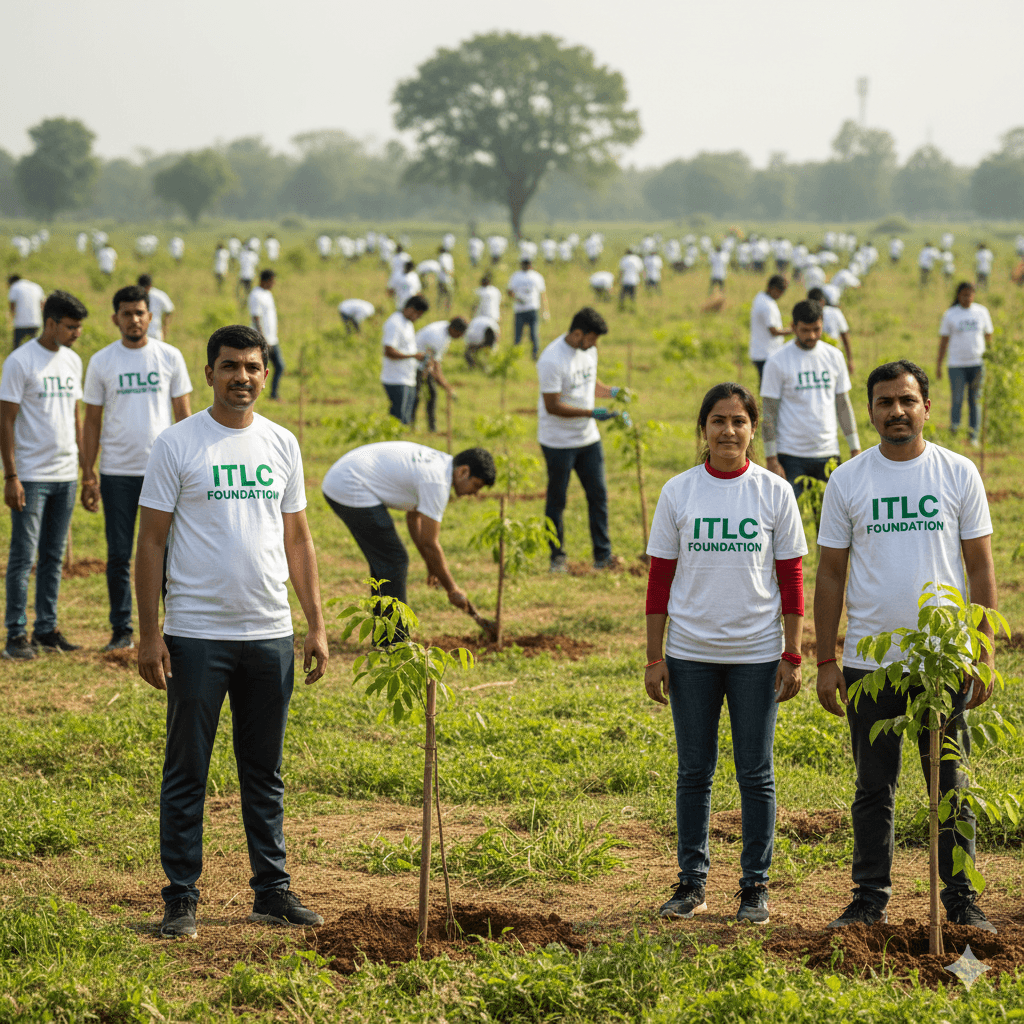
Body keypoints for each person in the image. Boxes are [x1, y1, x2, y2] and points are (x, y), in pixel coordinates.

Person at [136, 324, 328, 940]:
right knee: (187, 768)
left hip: (269, 632)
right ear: (210, 372)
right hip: (195, 634)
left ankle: (271, 892)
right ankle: (181, 897)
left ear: (265, 373)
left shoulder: (282, 444)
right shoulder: (177, 443)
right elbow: (151, 540)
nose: (240, 377)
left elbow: (297, 537)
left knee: (264, 771)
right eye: (228, 366)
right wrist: (149, 633)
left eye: (251, 366)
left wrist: (316, 625)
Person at [814, 360, 997, 933]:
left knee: (952, 786)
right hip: (871, 667)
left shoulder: (958, 473)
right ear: (870, 411)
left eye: (907, 401)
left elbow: (981, 567)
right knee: (874, 788)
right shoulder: (848, 479)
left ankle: (962, 901)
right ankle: (869, 898)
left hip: (943, 663)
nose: (896, 411)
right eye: (885, 402)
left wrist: (985, 654)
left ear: (926, 407)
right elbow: (829, 576)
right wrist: (825, 659)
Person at [645, 382, 806, 924]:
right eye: (718, 420)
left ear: (753, 430)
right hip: (689, 655)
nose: (728, 430)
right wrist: (653, 655)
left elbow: (792, 578)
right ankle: (691, 883)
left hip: (758, 656)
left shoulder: (774, 492)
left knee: (755, 774)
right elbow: (659, 580)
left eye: (739, 421)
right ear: (704, 429)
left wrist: (794, 652)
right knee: (694, 771)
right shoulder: (679, 491)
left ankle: (754, 887)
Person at [81, 285, 192, 652]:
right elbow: (92, 421)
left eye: (140, 312)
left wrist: (190, 466)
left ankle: (169, 629)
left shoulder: (170, 357)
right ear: (115, 318)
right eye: (126, 313)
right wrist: (89, 472)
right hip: (117, 472)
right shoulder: (102, 361)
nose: (134, 319)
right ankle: (121, 630)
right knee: (118, 554)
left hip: (164, 473)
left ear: (150, 316)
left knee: (169, 551)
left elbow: (184, 416)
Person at [0, 291, 90, 660]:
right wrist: (11, 476)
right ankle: (15, 635)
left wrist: (87, 470)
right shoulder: (20, 361)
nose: (76, 333)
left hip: (66, 474)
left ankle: (46, 629)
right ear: (50, 323)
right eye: (70, 327)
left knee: (53, 556)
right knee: (24, 556)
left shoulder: (72, 361)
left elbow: (75, 417)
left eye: (79, 328)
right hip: (31, 475)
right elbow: (5, 419)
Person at [322, 442, 495, 621]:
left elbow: (413, 519)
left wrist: (431, 564)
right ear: (463, 472)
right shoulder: (437, 482)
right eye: (476, 485)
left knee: (386, 561)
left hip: (342, 478)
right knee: (394, 560)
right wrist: (452, 589)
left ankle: (385, 634)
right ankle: (396, 641)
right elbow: (430, 543)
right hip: (349, 485)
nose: (475, 493)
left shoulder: (440, 467)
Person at [536, 307, 624, 572]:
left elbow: (588, 382)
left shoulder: (589, 352)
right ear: (577, 333)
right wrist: (591, 413)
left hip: (587, 439)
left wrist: (612, 392)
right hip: (558, 442)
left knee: (598, 495)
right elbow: (552, 405)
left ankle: (603, 556)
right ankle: (557, 558)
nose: (595, 344)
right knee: (557, 500)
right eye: (592, 338)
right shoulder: (551, 359)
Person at [761, 299, 860, 498]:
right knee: (784, 519)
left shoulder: (834, 357)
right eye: (805, 330)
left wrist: (855, 448)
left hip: (828, 453)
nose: (812, 336)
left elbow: (843, 404)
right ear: (793, 327)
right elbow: (769, 412)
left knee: (832, 520)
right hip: (790, 455)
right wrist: (771, 458)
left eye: (816, 329)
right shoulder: (777, 361)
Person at [937, 282, 993, 445]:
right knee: (957, 398)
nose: (967, 298)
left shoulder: (981, 312)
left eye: (970, 295)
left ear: (974, 295)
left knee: (975, 400)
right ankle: (954, 430)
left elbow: (988, 337)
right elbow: (943, 342)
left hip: (977, 363)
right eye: (964, 295)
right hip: (956, 365)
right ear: (958, 296)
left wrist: (992, 359)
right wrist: (939, 365)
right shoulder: (950, 314)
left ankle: (973, 434)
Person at [381, 295, 429, 424]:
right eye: (417, 315)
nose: (417, 318)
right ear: (410, 309)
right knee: (398, 419)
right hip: (395, 379)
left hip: (408, 378)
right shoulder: (394, 323)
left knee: (405, 419)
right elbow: (389, 351)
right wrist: (413, 356)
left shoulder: (408, 324)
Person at [413, 318, 465, 432]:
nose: (460, 337)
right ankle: (411, 424)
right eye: (460, 334)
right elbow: (432, 366)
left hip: (424, 362)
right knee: (415, 395)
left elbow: (436, 362)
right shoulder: (437, 337)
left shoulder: (445, 331)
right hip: (414, 363)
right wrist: (445, 385)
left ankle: (432, 428)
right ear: (454, 330)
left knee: (432, 394)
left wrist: (444, 383)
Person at [248, 270, 284, 401]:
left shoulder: (268, 294)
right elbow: (256, 318)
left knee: (279, 366)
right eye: (272, 281)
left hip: (272, 338)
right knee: (257, 368)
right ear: (264, 280)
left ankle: (273, 394)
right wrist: (263, 338)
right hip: (261, 339)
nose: (273, 284)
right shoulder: (255, 295)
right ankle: (252, 394)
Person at [507, 258, 549, 360]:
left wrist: (546, 310)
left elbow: (542, 294)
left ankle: (535, 356)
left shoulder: (536, 276)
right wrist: (517, 299)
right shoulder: (516, 276)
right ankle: (515, 356)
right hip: (520, 309)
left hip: (532, 308)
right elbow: (509, 291)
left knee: (534, 335)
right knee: (518, 335)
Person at [748, 275, 788, 382]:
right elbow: (773, 331)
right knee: (769, 385)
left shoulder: (761, 297)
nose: (781, 295)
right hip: (766, 353)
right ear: (772, 288)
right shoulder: (766, 305)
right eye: (780, 291)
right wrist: (793, 330)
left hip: (762, 351)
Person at [807, 286, 854, 374]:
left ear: (823, 302)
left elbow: (845, 335)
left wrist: (850, 359)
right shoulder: (807, 316)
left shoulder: (834, 313)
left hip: (833, 354)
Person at [7, 274, 45, 349]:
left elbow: (12, 304)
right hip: (36, 321)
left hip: (20, 323)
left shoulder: (14, 287)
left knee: (16, 346)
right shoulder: (36, 286)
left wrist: (12, 317)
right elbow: (43, 303)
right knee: (36, 347)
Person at [137, 275, 175, 342]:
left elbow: (169, 310)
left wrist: (165, 327)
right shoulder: (135, 296)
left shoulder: (158, 296)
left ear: (150, 286)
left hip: (155, 333)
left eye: (146, 288)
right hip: (139, 333)